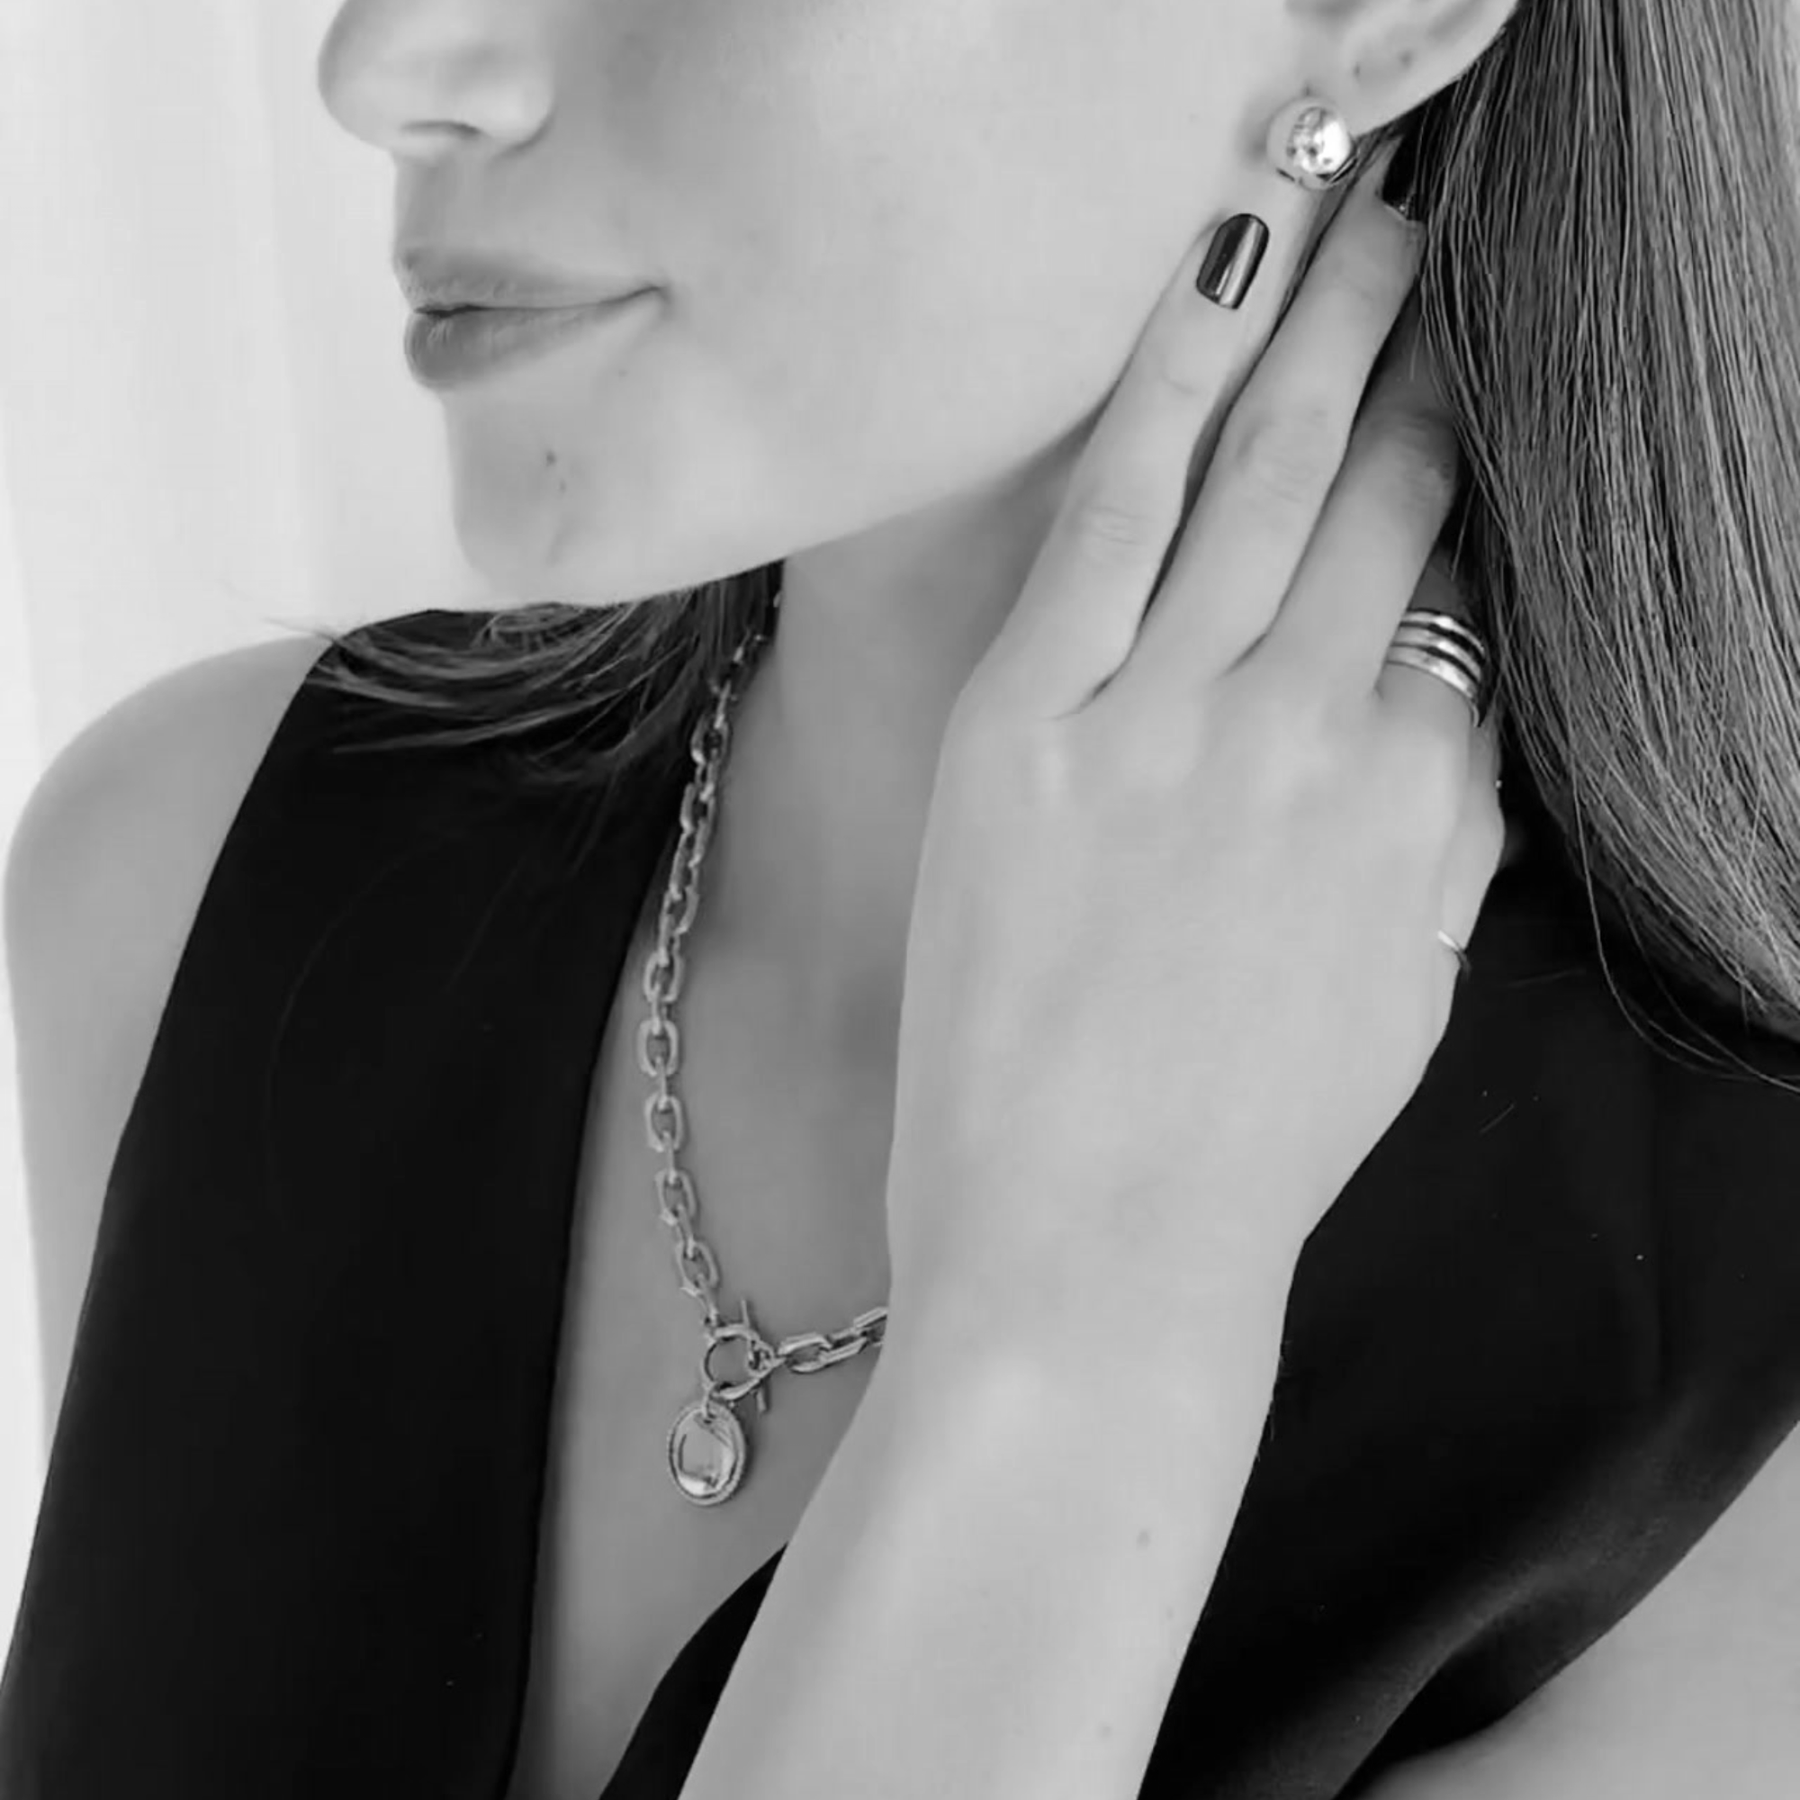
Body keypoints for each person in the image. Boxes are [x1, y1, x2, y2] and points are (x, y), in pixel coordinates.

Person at [3, 1, 1799, 1797]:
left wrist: (1080, 1331)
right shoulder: (189, 888)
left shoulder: (1734, 1442)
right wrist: (1065, 1327)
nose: (383, 65)